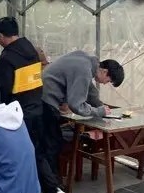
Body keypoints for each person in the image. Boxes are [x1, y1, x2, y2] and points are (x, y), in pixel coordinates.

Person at [0, 16, 70, 193]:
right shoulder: (32, 51)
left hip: (18, 115)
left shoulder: (6, 58)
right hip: (38, 109)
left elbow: (3, 91)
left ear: (1, 35)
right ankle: (54, 191)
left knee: (20, 155)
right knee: (37, 152)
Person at [41, 51, 125, 183]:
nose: (105, 84)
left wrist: (101, 106)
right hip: (46, 98)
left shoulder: (87, 61)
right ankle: (52, 185)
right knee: (53, 143)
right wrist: (98, 111)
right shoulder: (85, 70)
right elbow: (76, 105)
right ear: (104, 71)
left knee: (51, 140)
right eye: (108, 81)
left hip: (44, 93)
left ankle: (50, 181)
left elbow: (90, 91)